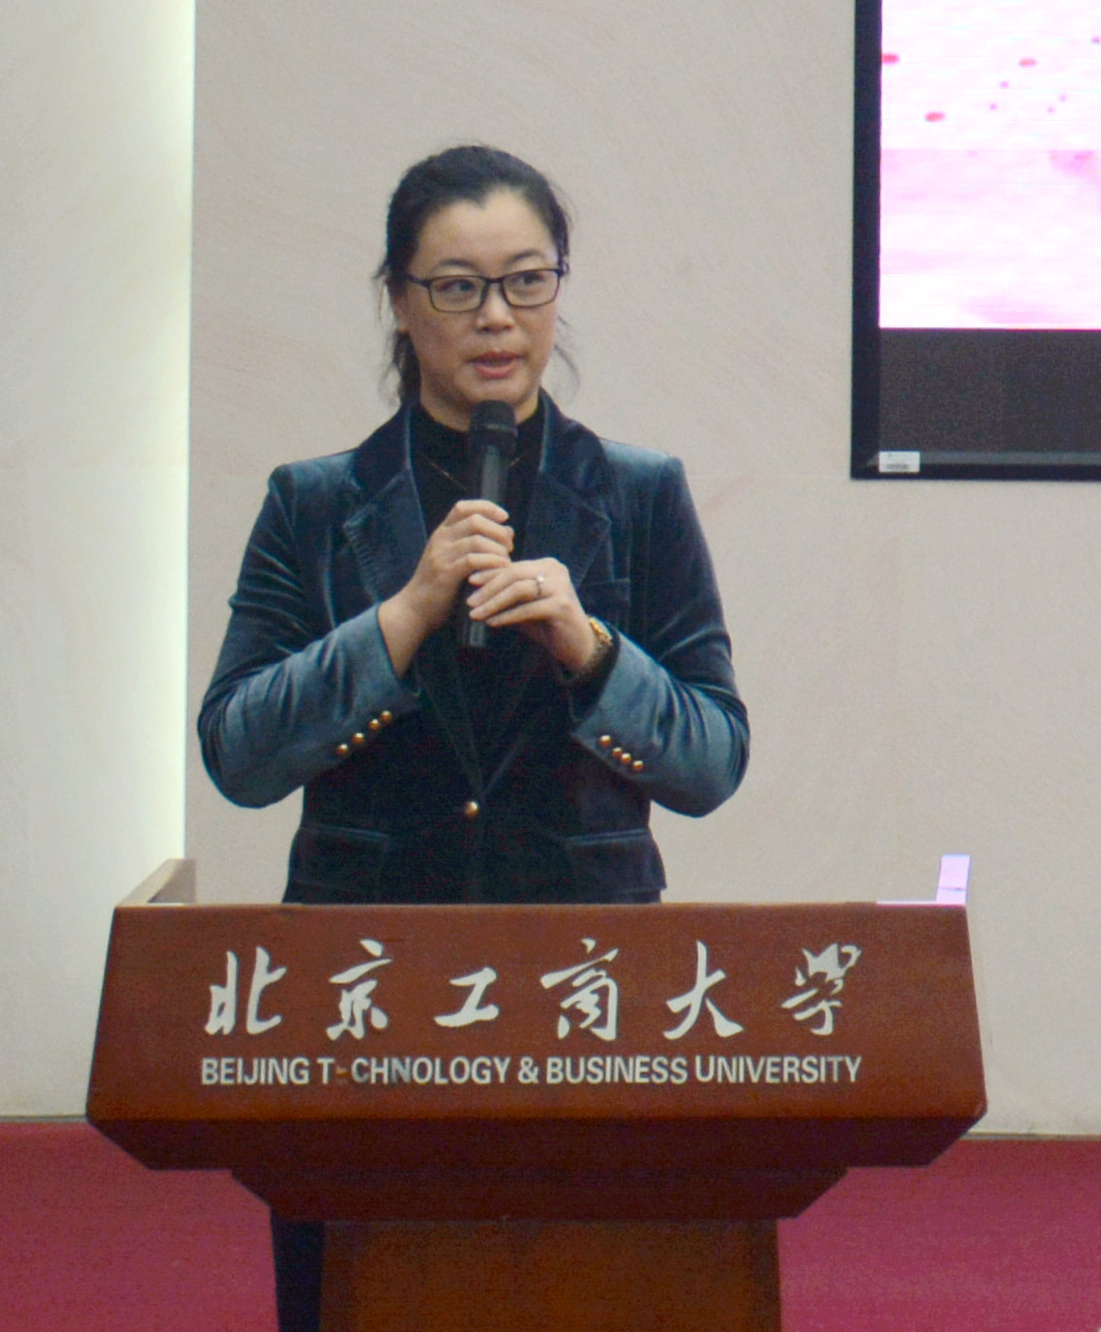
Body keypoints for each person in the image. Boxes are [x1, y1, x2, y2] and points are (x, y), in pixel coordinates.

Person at [197, 145, 749, 1332]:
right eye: (457, 287)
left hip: (585, 986)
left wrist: (592, 652)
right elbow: (239, 753)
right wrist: (397, 620)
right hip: (363, 990)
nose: (496, 318)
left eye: (526, 281)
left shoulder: (639, 495)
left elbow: (712, 760)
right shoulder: (315, 503)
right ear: (399, 300)